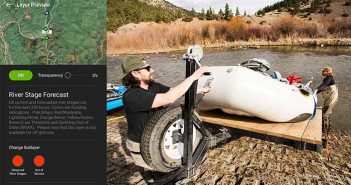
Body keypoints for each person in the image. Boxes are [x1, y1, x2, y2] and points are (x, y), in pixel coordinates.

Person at [120, 56, 210, 169]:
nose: (152, 70)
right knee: (156, 174)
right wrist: (194, 76)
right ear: (135, 74)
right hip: (142, 145)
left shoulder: (154, 86)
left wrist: (199, 90)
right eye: (147, 68)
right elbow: (169, 98)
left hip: (157, 137)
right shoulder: (131, 95)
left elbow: (174, 91)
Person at [316, 67, 338, 134]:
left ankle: (324, 131)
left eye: (323, 71)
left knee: (325, 114)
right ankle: (329, 128)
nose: (322, 72)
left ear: (327, 72)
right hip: (330, 98)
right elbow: (322, 87)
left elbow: (323, 85)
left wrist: (315, 90)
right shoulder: (327, 78)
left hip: (331, 99)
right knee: (327, 112)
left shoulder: (329, 78)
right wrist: (315, 92)